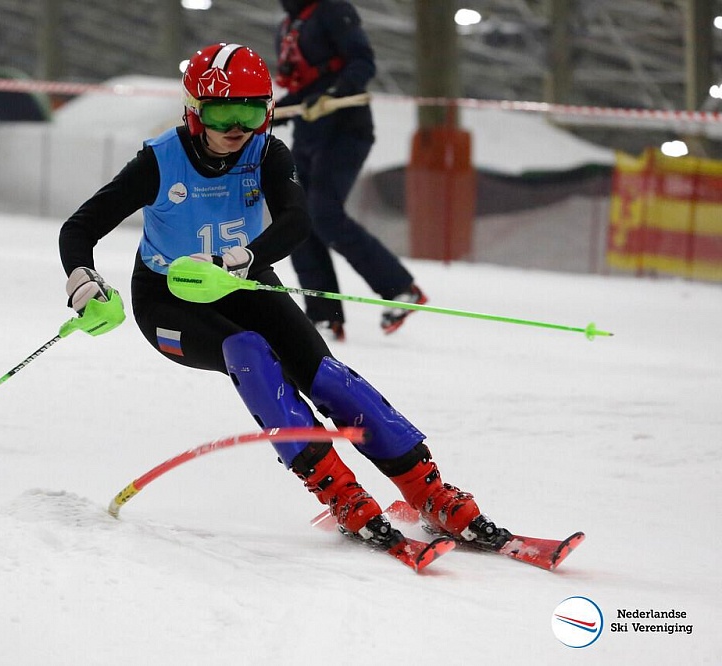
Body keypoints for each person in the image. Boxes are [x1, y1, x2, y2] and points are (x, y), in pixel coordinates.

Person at [58, 43, 509, 552]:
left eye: (250, 111)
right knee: (248, 352)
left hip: (242, 280)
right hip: (169, 302)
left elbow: (297, 221)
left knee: (329, 376)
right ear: (193, 113)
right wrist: (83, 281)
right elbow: (80, 229)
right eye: (222, 112)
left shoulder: (267, 152)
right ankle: (340, 494)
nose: (236, 127)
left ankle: (429, 492)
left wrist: (239, 262)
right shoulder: (159, 162)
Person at [273, 0, 425, 339]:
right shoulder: (288, 25)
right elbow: (301, 91)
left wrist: (333, 93)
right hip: (309, 135)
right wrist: (269, 113)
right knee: (296, 218)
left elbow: (362, 62)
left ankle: (401, 288)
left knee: (324, 213)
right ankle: (324, 315)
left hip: (345, 129)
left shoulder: (331, 10)